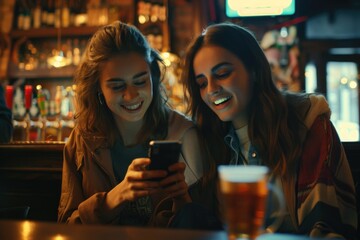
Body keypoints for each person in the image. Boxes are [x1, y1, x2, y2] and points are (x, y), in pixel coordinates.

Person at [181, 22, 358, 239]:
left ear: (254, 70)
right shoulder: (205, 141)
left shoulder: (306, 123)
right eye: (201, 83)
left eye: (223, 73)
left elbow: (327, 228)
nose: (211, 89)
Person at [57, 21, 206, 227]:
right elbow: (65, 226)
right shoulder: (82, 139)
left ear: (153, 77)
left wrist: (181, 200)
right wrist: (113, 199)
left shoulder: (184, 133)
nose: (131, 95)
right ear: (98, 88)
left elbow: (204, 227)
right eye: (117, 85)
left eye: (140, 81)